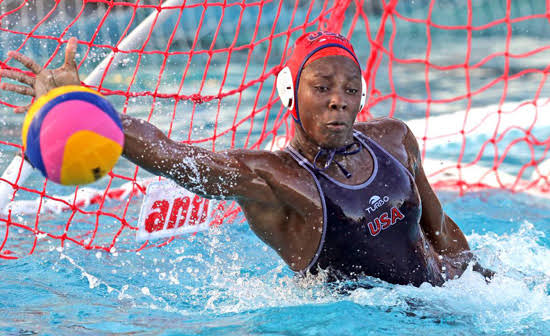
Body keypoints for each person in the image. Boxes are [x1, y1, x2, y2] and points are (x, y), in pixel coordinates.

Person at [0, 32, 492, 286]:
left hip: (449, 300)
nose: (339, 100)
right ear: (289, 93)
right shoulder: (272, 179)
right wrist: (80, 104)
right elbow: (172, 155)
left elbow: (441, 228)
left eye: (350, 89)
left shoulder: (394, 138)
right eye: (322, 88)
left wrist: (484, 287)